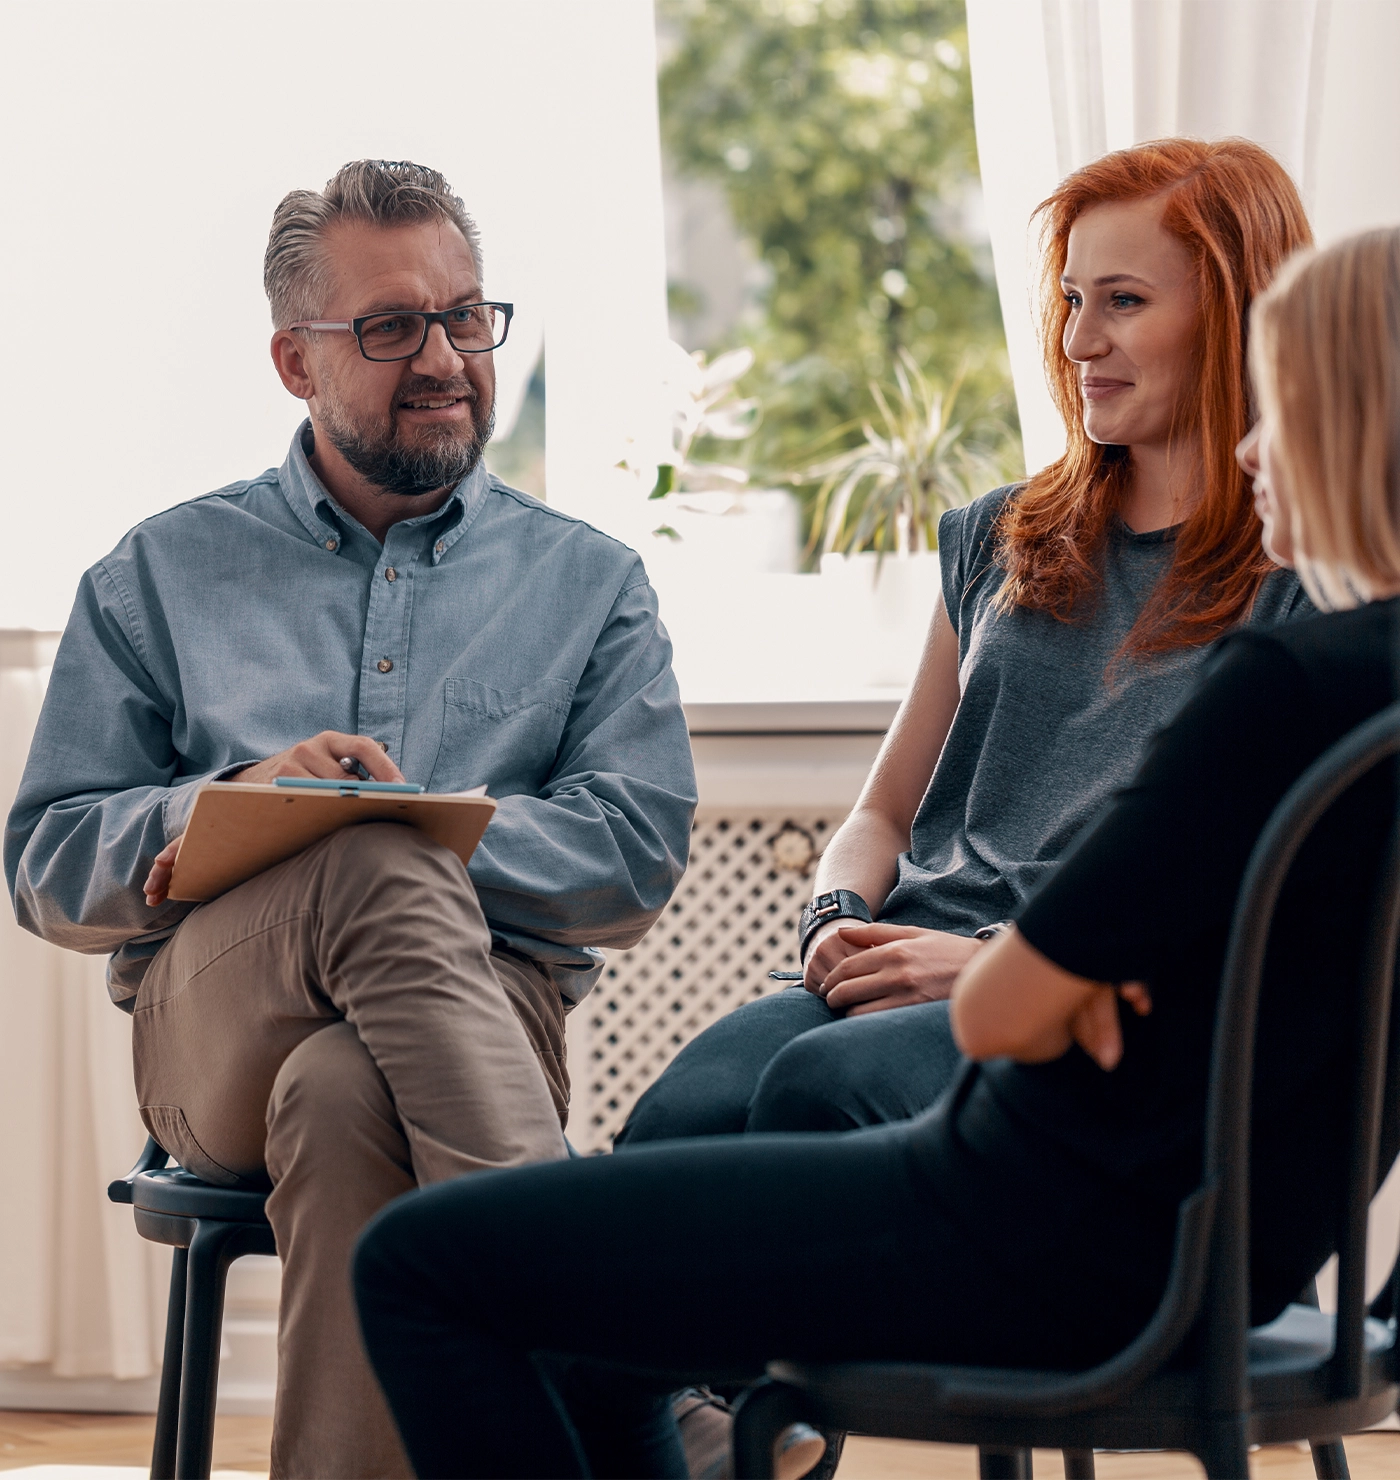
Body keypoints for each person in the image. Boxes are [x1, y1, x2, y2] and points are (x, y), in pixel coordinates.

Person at [351, 222, 1400, 1480]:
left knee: (416, 1263)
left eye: (1275, 408)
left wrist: (1062, 982)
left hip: (1020, 1223)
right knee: (601, 1313)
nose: (1245, 447)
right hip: (1215, 1254)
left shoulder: (1279, 683)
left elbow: (1008, 1005)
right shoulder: (1358, 697)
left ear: (1356, 423)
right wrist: (1109, 980)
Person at [3, 160, 696, 1479]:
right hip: (217, 1029)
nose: (444, 358)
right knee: (369, 860)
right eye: (391, 328)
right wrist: (245, 808)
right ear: (294, 360)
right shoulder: (156, 574)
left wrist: (412, 831)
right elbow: (45, 863)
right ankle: (616, 1371)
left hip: (489, 1025)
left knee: (343, 1089)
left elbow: (633, 853)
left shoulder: (591, 585)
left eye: (468, 316)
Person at [617, 137, 1313, 1151]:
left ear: (1238, 313)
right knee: (676, 1118)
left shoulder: (1294, 583)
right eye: (1072, 299)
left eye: (1121, 300)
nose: (1078, 341)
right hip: (890, 958)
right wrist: (831, 921)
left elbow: (1239, 896)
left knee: (819, 1094)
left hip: (1070, 997)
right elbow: (881, 811)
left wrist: (994, 962)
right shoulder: (1002, 534)